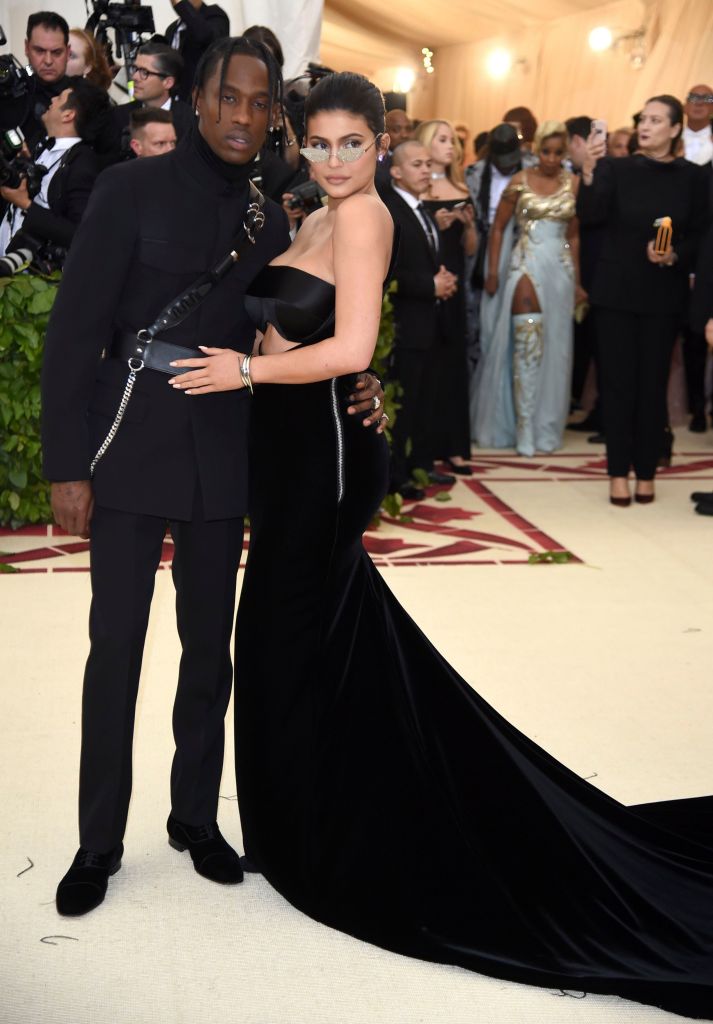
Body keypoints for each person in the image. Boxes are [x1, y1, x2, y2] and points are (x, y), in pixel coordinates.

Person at [168, 70, 713, 1020]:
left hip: (326, 458)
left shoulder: (367, 217)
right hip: (292, 448)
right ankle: (300, 822)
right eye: (320, 143)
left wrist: (243, 371)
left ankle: (301, 837)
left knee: (283, 640)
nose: (335, 160)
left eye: (353, 143)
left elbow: (349, 349)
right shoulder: (312, 210)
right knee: (300, 643)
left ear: (381, 144)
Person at [40, 36, 386, 918]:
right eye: (228, 98)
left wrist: (361, 379)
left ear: (273, 117)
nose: (242, 116)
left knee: (208, 651)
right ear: (196, 101)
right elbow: (74, 333)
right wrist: (66, 467)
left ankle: (193, 817)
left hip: (228, 453)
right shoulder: (127, 189)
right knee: (115, 649)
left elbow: (303, 326)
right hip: (126, 444)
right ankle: (97, 840)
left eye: (259, 103)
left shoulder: (270, 218)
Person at [578, 95, 708, 505]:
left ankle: (647, 471)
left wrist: (674, 255)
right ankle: (618, 472)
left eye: (655, 120)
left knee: (652, 387)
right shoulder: (616, 168)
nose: (645, 127)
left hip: (662, 295)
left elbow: (701, 236)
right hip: (615, 293)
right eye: (643, 119)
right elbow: (590, 215)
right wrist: (588, 171)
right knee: (617, 386)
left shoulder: (694, 177)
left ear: (675, 129)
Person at [473, 121, 584, 456]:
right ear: (536, 149)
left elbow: (574, 235)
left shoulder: (573, 183)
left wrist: (578, 281)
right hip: (525, 264)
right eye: (546, 151)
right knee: (527, 341)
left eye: (558, 152)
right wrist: (492, 271)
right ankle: (522, 427)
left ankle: (544, 426)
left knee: (556, 349)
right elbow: (498, 228)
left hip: (560, 272)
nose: (551, 158)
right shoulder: (519, 181)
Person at [382, 140, 458, 498]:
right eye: (417, 164)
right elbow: (388, 271)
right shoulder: (390, 211)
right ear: (396, 171)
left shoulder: (422, 208)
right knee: (405, 403)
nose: (426, 170)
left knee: (427, 399)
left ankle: (421, 464)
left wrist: (442, 281)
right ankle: (397, 476)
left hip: (431, 321)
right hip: (405, 324)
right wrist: (430, 285)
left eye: (429, 163)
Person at [416, 118, 476, 475]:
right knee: (428, 367)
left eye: (452, 140)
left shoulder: (461, 186)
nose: (450, 146)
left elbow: (471, 248)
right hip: (424, 284)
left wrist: (467, 227)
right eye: (442, 139)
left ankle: (455, 447)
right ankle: (425, 449)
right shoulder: (416, 190)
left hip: (455, 284)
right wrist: (435, 228)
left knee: (454, 364)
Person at [0, 77, 108, 276]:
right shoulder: (40, 144)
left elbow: (80, 234)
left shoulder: (82, 165)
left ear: (68, 114)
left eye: (59, 98)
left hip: (30, 277)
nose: (52, 100)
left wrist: (26, 204)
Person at [0, 12, 69, 147]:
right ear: (26, 47)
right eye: (39, 51)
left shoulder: (81, 97)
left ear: (68, 51)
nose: (48, 61)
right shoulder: (8, 85)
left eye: (56, 52)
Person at [113, 43, 194, 152]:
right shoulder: (118, 116)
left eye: (144, 72)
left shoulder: (190, 122)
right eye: (135, 69)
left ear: (168, 82)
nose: (135, 77)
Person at [162, 0, 229, 102]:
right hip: (177, 97)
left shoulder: (215, 15)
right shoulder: (172, 29)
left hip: (203, 95)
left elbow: (204, 35)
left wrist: (182, 6)